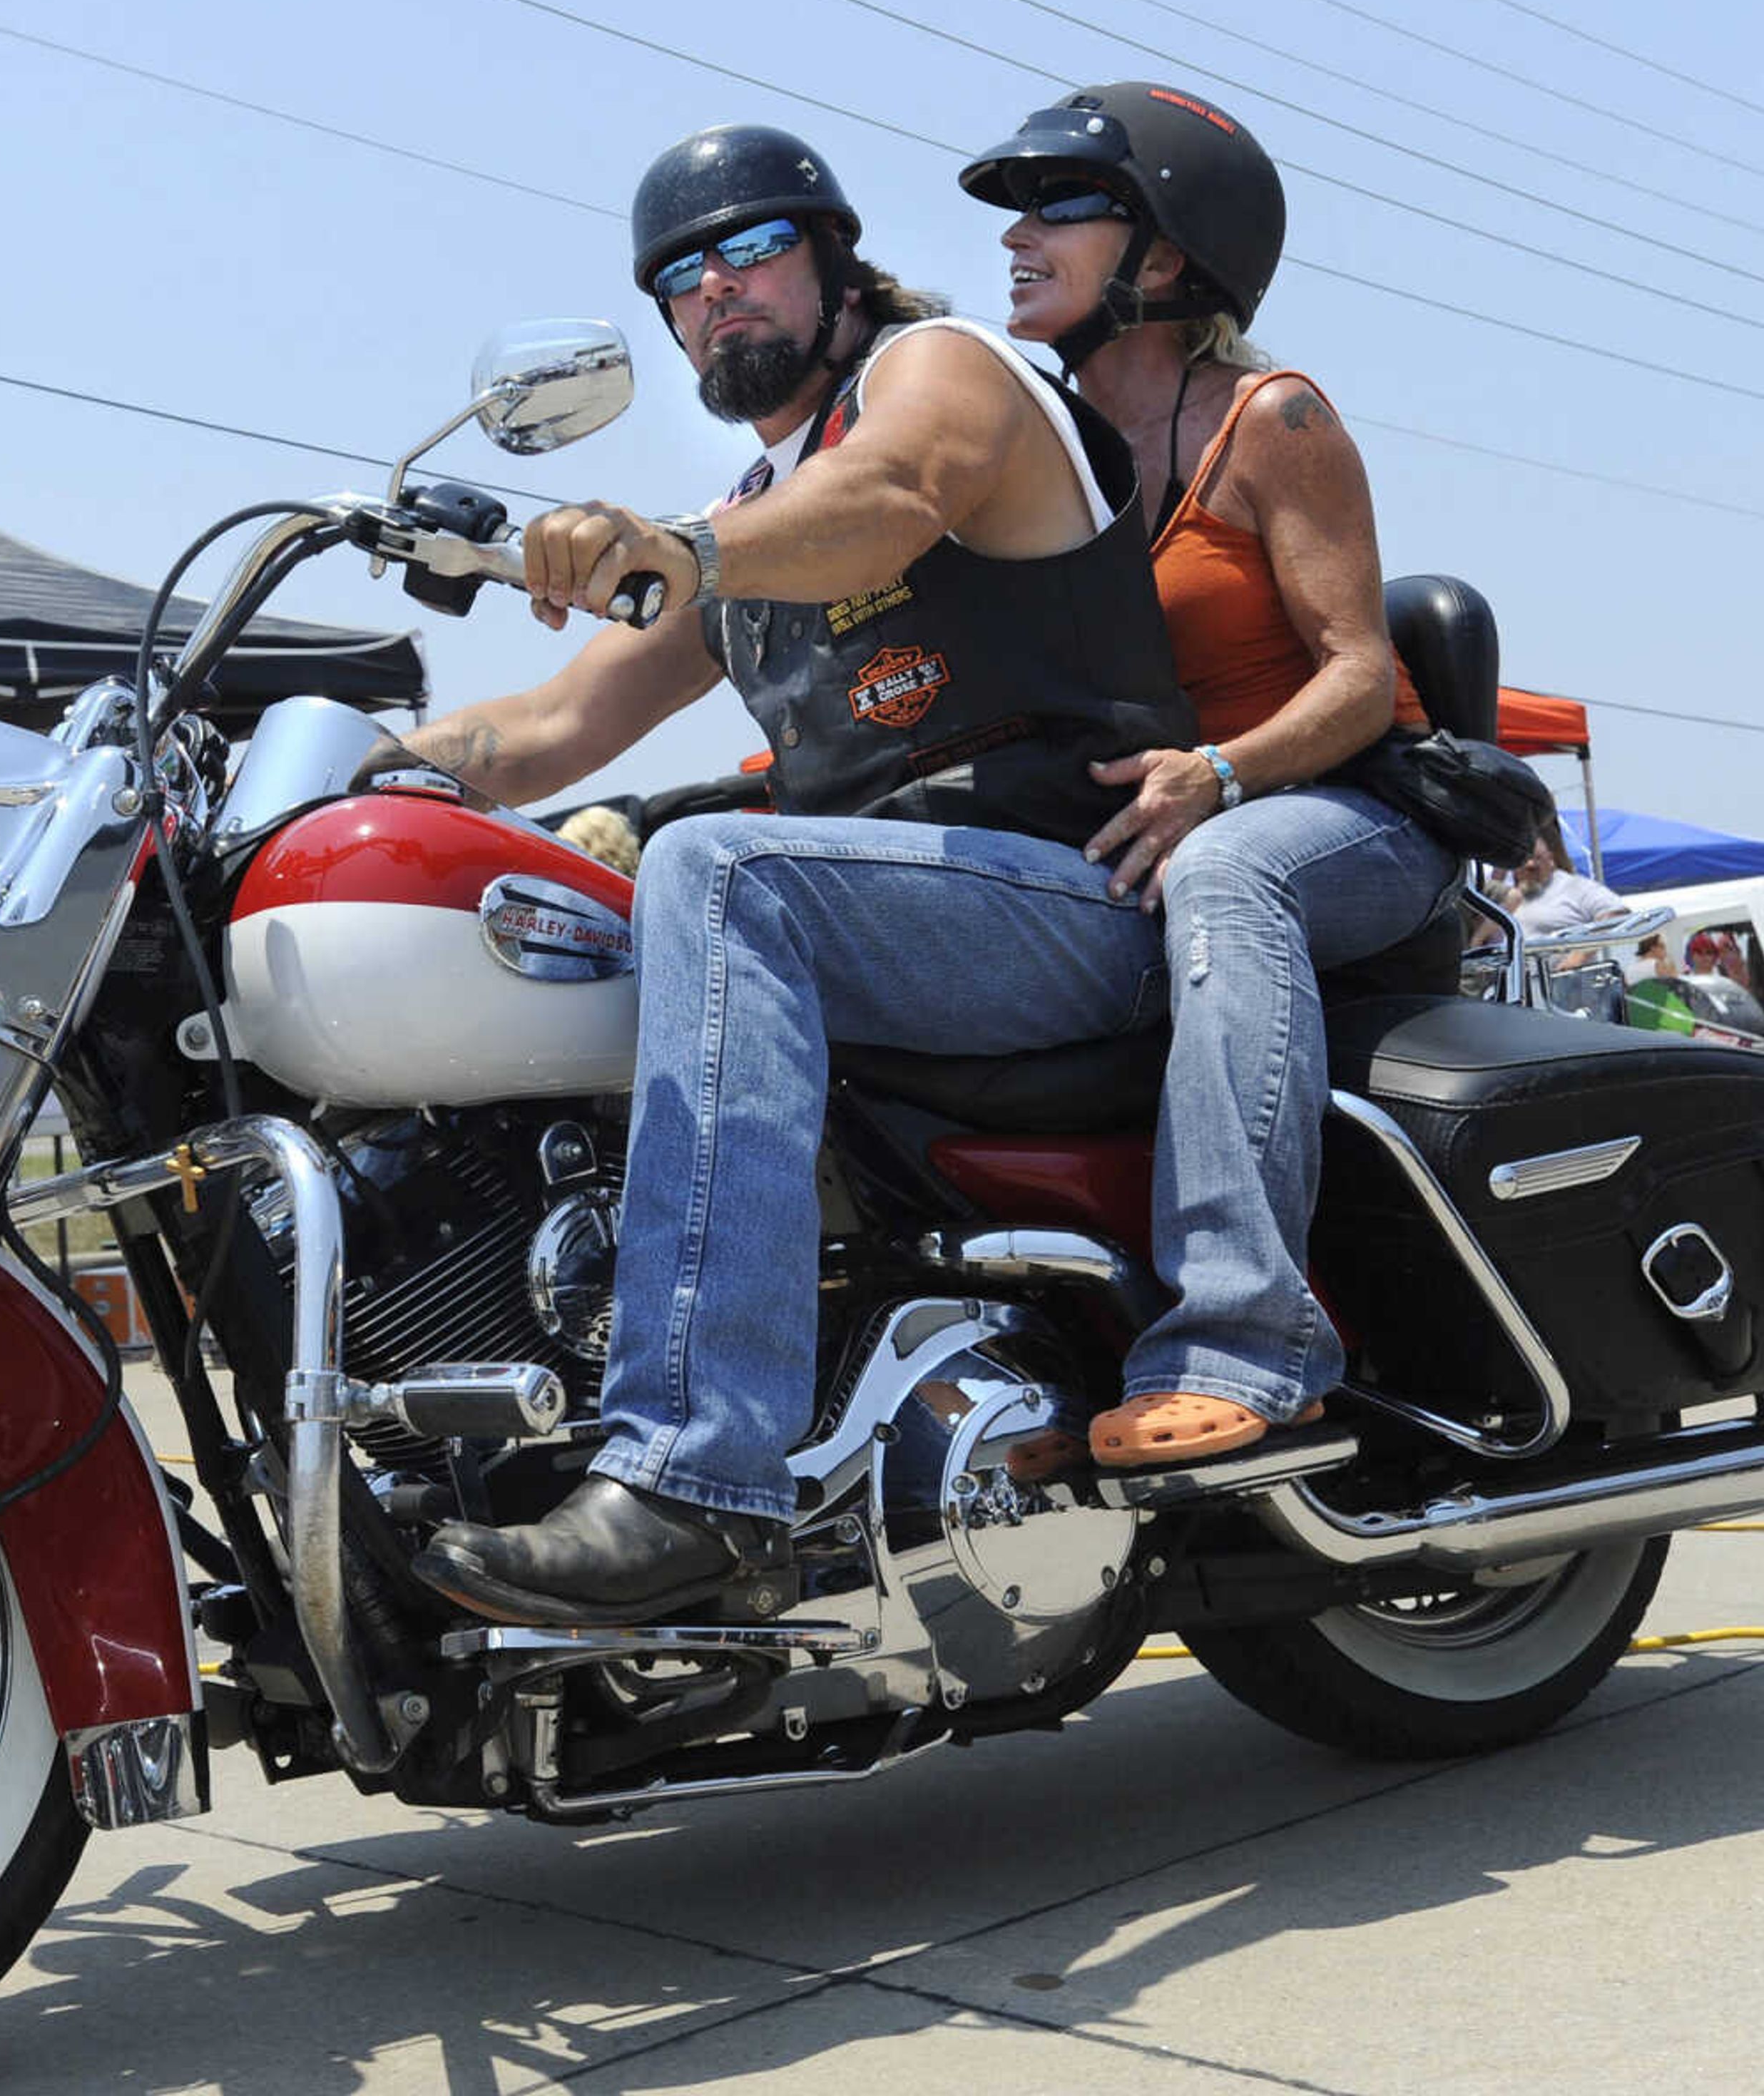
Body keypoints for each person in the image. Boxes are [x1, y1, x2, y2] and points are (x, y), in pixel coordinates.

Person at [409, 123, 1193, 1626]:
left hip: (1079, 887)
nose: (717, 294)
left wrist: (680, 547)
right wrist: (357, 764)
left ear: (834, 261)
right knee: (554, 918)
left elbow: (897, 498)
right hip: (906, 918)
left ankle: (697, 1475)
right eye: (681, 281)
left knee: (714, 867)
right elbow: (551, 725)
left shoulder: (944, 370)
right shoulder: (762, 519)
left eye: (749, 251)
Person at [961, 82, 1459, 1466]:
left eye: (1061, 206)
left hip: (1344, 813)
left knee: (1227, 864)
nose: (1018, 235)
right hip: (1154, 832)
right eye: (1017, 209)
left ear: (1168, 256)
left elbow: (1359, 672)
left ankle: (1249, 1339)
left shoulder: (1272, 419)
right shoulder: (1040, 454)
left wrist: (1220, 776)